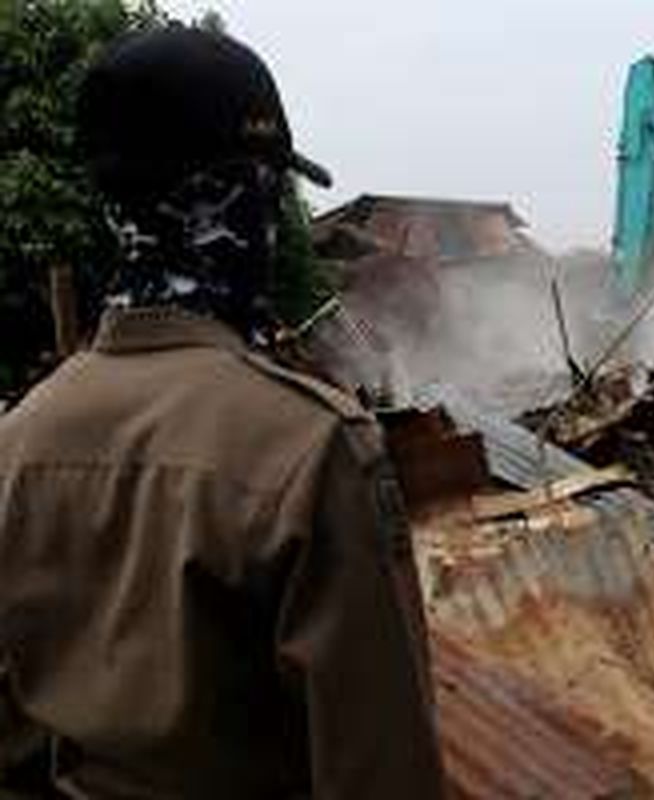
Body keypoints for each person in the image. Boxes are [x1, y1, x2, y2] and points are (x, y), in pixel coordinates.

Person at [0, 26, 444, 799]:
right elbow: (378, 765)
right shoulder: (311, 448)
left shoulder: (17, 441)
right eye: (272, 191)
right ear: (243, 199)